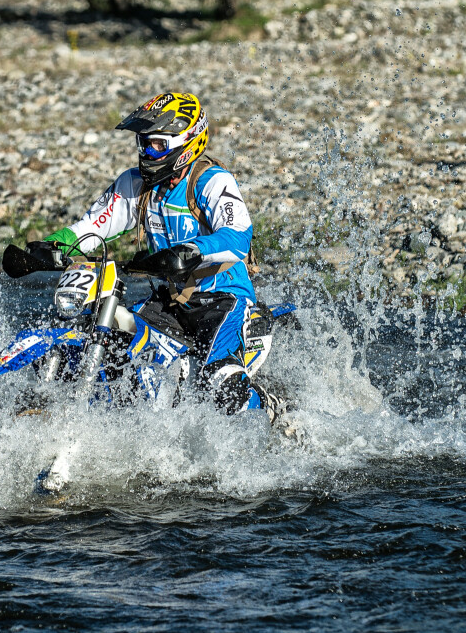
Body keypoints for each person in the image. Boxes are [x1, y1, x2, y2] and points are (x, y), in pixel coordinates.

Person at [28, 92, 281, 422]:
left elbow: (237, 237)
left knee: (220, 384)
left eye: (157, 145)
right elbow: (92, 227)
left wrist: (190, 251)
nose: (146, 152)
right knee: (114, 343)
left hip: (222, 301)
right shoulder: (135, 184)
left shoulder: (210, 180)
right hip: (169, 302)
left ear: (187, 142)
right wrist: (49, 247)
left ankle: (273, 407)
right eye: (143, 142)